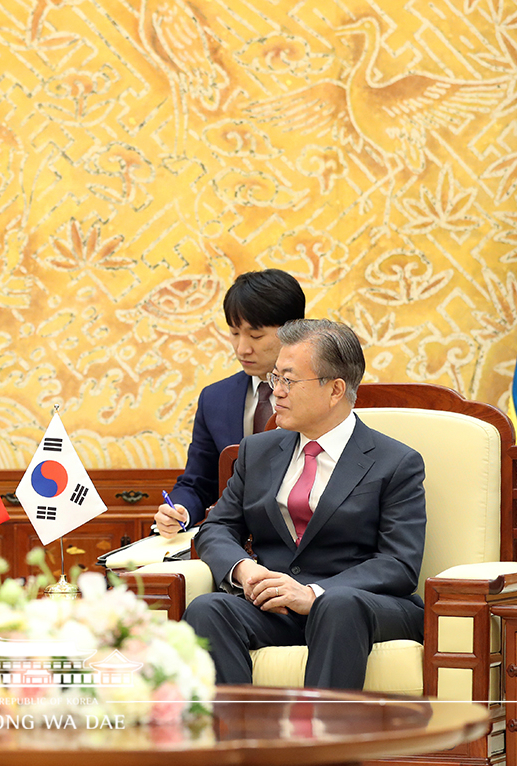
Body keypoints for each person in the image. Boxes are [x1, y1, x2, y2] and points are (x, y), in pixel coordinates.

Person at [183, 318, 426, 689]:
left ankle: (320, 743)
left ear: (335, 390)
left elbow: (399, 564)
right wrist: (246, 571)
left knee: (338, 605)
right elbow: (217, 527)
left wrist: (313, 593)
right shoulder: (257, 452)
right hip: (277, 607)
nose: (276, 392)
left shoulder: (395, 462)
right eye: (274, 378)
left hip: (360, 607)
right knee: (207, 609)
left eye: (289, 380)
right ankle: (239, 741)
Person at [154, 269, 306, 536]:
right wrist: (179, 510)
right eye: (235, 333)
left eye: (255, 336)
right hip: (236, 541)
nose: (242, 348)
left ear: (292, 330)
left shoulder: (319, 393)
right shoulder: (215, 399)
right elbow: (198, 483)